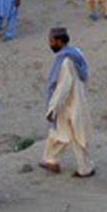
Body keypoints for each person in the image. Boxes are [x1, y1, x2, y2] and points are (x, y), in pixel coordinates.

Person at [40, 28, 95, 178]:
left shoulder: (65, 61)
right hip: (75, 100)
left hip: (69, 104)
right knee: (59, 132)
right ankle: (52, 160)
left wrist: (52, 108)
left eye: (51, 41)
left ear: (59, 41)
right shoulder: (76, 52)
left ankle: (85, 168)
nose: (50, 44)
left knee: (73, 135)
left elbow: (63, 87)